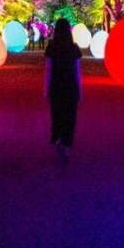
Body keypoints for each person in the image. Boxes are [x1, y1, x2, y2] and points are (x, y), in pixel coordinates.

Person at [44, 17, 83, 164]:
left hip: (56, 86)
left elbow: (48, 70)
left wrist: (46, 89)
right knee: (70, 116)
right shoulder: (74, 48)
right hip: (70, 87)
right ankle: (67, 145)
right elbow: (77, 72)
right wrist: (80, 91)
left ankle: (57, 137)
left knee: (57, 113)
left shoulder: (51, 47)